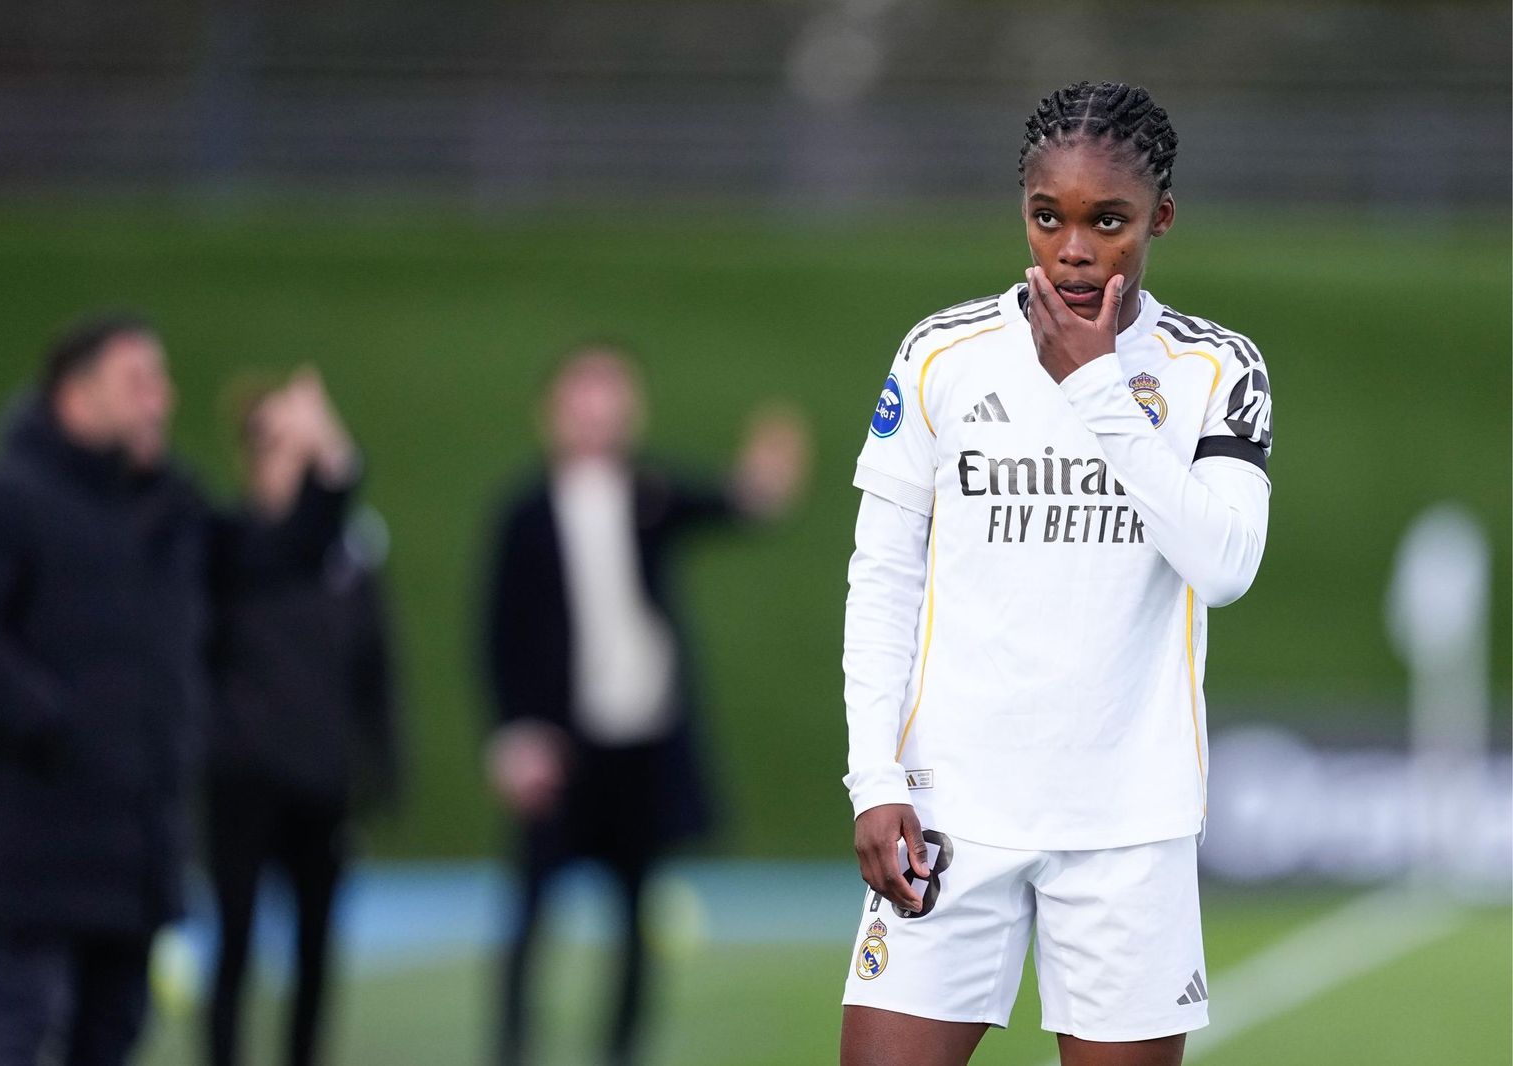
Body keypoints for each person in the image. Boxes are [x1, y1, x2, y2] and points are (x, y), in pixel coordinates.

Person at [839, 82, 1274, 1066]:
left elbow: (1225, 563)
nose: (1072, 250)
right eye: (1048, 217)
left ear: (1159, 217)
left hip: (1128, 826)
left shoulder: (1216, 369)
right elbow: (882, 578)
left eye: (1106, 221)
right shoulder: (941, 353)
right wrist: (874, 778)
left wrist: (1095, 387)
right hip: (949, 817)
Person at [0, 316, 356, 1066]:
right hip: (37, 835)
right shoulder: (2, 501)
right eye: (138, 381)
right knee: (23, 1026)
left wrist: (328, 466)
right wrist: (55, 724)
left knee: (113, 1032)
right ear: (76, 395)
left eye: (160, 381)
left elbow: (274, 556)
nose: (160, 399)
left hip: (138, 841)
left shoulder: (169, 508)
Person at [484, 345, 808, 1066]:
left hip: (641, 741)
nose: (599, 415)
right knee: (530, 913)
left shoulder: (648, 494)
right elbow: (498, 634)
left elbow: (734, 502)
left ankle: (622, 1051)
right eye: (584, 399)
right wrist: (514, 735)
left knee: (636, 917)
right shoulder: (525, 514)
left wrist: (764, 481)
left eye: (612, 399)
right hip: (560, 747)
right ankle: (510, 1048)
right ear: (555, 413)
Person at [205, 376, 401, 1066]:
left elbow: (374, 665)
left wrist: (380, 766)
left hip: (320, 779)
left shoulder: (344, 559)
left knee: (316, 950)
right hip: (242, 778)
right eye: (283, 452)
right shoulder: (227, 546)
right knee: (233, 944)